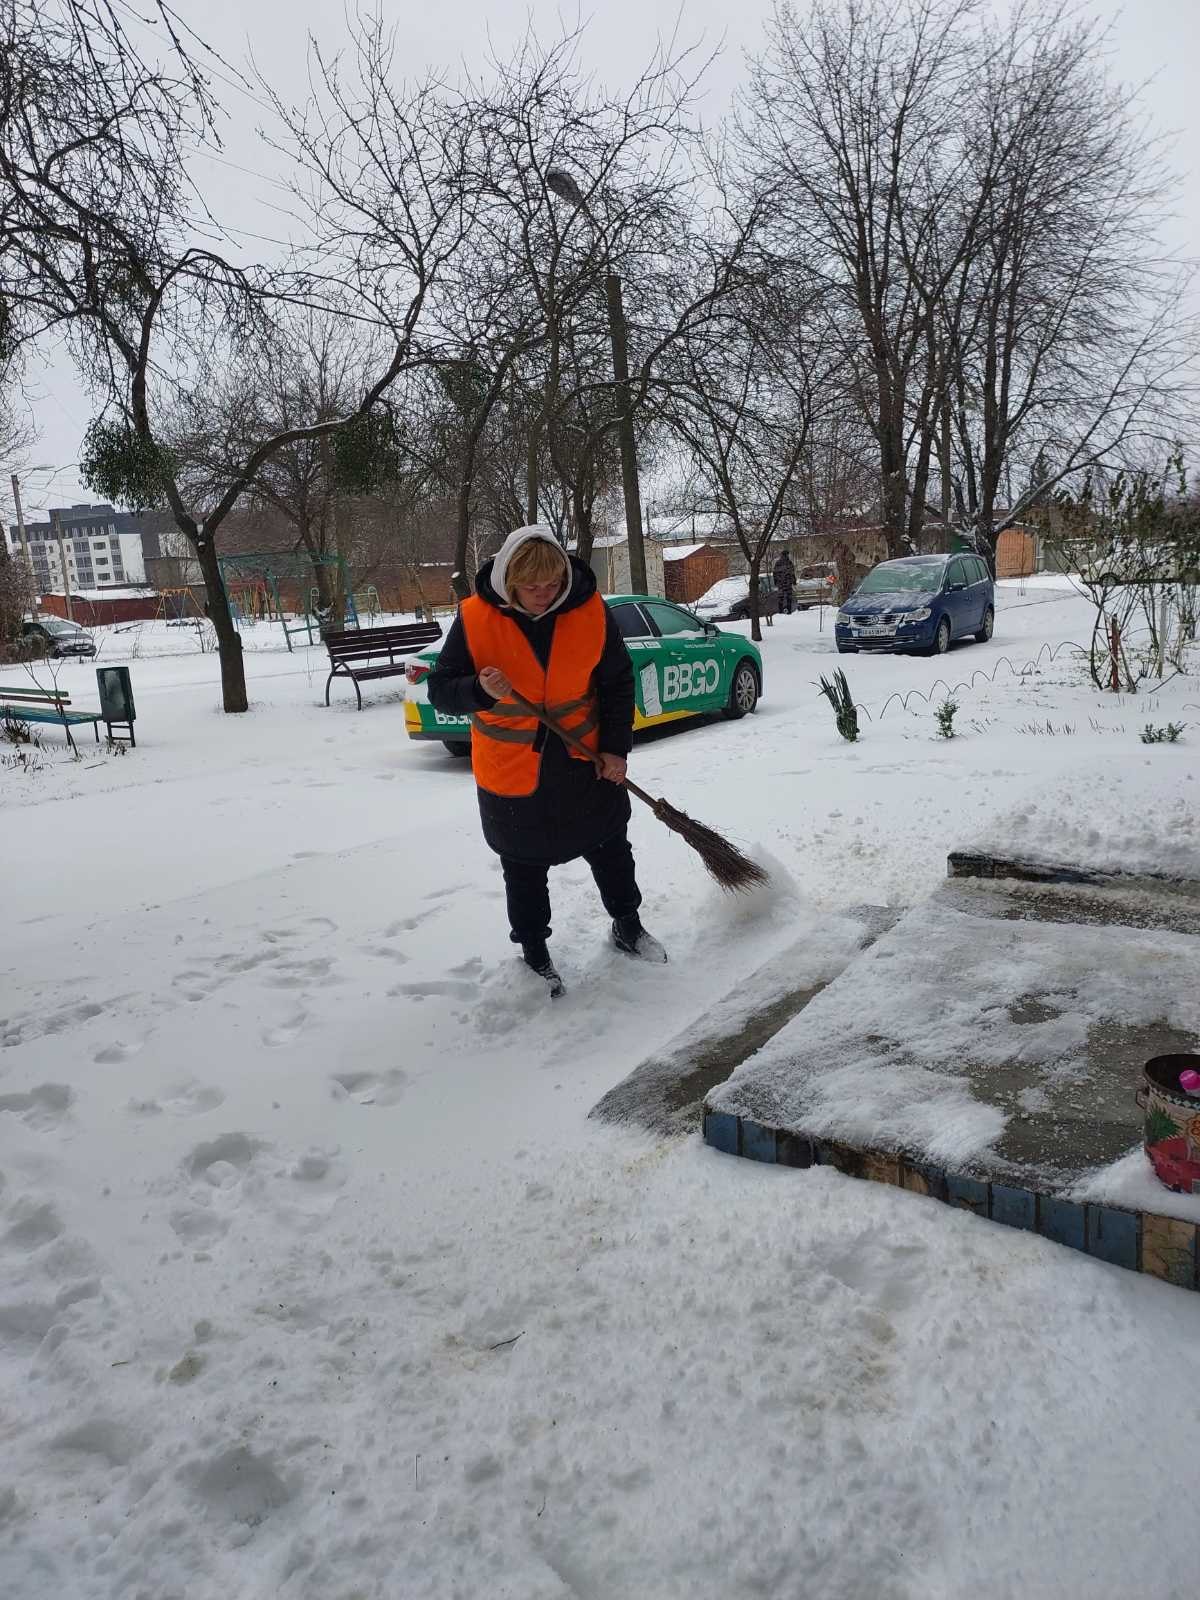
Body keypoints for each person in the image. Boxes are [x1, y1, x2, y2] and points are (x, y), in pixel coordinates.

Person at [427, 525, 665, 989]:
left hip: (586, 762)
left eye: (552, 585)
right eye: (531, 587)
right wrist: (476, 690)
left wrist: (616, 748)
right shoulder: (475, 617)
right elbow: (440, 690)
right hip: (513, 773)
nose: (543, 594)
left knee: (611, 847)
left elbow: (617, 682)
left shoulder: (590, 610)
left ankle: (628, 925)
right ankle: (535, 951)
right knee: (523, 866)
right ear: (508, 579)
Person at [772, 549, 796, 614]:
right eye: (788, 554)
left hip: (781, 583)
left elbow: (774, 573)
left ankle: (780, 612)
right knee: (789, 597)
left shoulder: (778, 563)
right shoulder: (789, 562)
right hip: (788, 583)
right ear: (786, 555)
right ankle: (789, 611)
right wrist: (794, 581)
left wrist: (776, 582)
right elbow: (792, 573)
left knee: (781, 598)